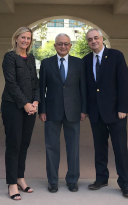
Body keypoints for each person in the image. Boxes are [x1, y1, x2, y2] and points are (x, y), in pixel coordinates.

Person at [83, 29, 128, 198]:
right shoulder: (86, 60)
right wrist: (86, 110)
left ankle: (125, 184)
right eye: (90, 39)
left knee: (120, 149)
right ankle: (101, 178)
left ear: (102, 39)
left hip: (115, 113)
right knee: (99, 148)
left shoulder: (116, 56)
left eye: (96, 38)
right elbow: (87, 89)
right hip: (96, 114)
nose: (93, 41)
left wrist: (122, 108)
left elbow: (124, 83)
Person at [38, 33, 87, 193]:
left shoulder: (79, 64)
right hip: (51, 112)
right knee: (52, 147)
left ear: (70, 45)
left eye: (66, 43)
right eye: (60, 43)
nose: (63, 46)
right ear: (55, 46)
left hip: (73, 111)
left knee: (73, 148)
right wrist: (42, 110)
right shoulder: (46, 63)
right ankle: (52, 181)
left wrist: (84, 110)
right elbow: (41, 88)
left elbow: (83, 89)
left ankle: (72, 180)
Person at [1, 26, 39, 200]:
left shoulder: (31, 58)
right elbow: (11, 83)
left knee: (24, 144)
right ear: (16, 38)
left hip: (30, 107)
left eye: (28, 38)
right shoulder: (10, 57)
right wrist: (24, 103)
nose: (25, 41)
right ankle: (11, 183)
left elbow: (35, 82)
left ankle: (20, 178)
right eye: (22, 37)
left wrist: (36, 102)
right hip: (13, 106)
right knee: (14, 144)